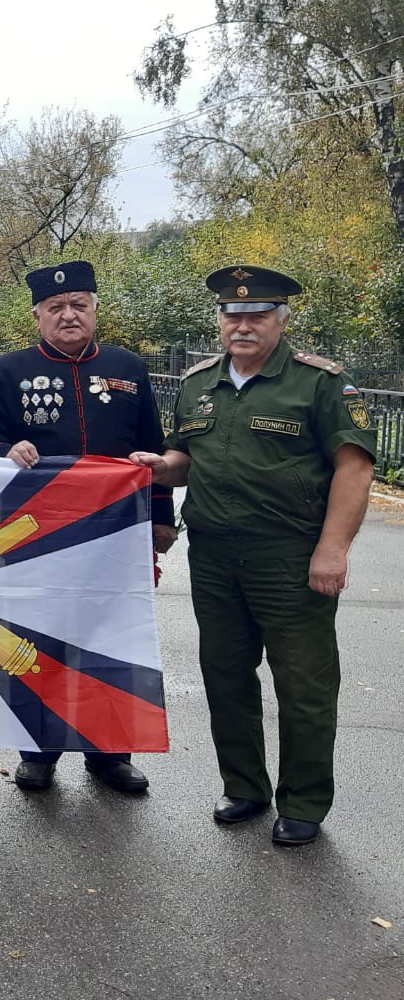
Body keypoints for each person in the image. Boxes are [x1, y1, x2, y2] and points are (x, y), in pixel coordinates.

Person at [132, 266, 375, 847]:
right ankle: (244, 787)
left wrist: (333, 549)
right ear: (219, 320)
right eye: (232, 314)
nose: (242, 325)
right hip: (215, 559)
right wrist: (164, 467)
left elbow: (356, 466)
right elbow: (187, 456)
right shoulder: (197, 383)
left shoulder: (319, 384)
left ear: (281, 319)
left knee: (304, 686)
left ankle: (304, 801)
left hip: (290, 559)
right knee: (225, 676)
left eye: (257, 314)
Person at [0, 260, 176, 795]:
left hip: (116, 535)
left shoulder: (128, 367)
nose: (68, 315)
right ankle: (39, 751)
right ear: (37, 316)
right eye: (55, 308)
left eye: (79, 306)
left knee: (112, 640)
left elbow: (154, 447)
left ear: (94, 310)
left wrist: (161, 516)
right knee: (35, 640)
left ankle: (110, 753)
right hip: (35, 536)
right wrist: (6, 449)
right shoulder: (7, 371)